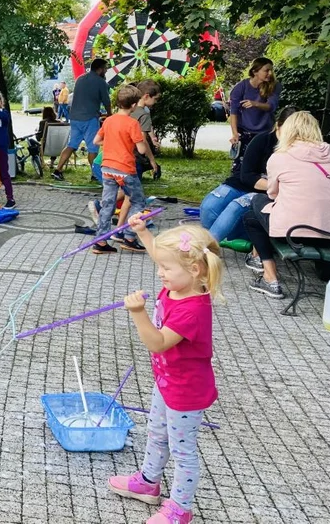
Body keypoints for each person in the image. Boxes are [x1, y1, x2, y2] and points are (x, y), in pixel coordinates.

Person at [109, 217, 222, 524]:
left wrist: (137, 313)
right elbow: (163, 257)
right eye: (160, 267)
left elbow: (158, 343)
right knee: (156, 434)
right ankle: (148, 482)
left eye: (166, 270)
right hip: (167, 381)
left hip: (187, 391)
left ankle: (180, 510)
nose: (160, 274)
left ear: (195, 270)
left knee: (183, 451)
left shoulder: (192, 310)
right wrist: (143, 233)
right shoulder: (178, 285)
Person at [241, 111, 330, 298]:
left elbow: (272, 193)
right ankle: (264, 269)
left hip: (293, 233)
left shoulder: (280, 157)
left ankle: (270, 278)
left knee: (254, 208)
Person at [199, 106, 298, 244]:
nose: (289, 136)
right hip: (241, 183)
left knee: (235, 207)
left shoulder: (297, 149)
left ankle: (209, 244)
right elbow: (247, 175)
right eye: (286, 131)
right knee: (209, 207)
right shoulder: (262, 140)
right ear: (277, 126)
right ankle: (229, 233)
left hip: (265, 193)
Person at [92, 85, 147, 254]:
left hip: (107, 168)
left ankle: (100, 242)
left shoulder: (108, 120)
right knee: (138, 201)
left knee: (108, 203)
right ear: (133, 105)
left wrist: (111, 144)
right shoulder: (133, 123)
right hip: (125, 169)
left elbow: (96, 141)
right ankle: (129, 237)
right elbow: (142, 150)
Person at [51, 59, 111, 180]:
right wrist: (110, 114)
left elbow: (84, 97)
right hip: (89, 119)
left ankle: (58, 170)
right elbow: (106, 101)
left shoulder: (80, 79)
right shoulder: (101, 82)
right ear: (99, 69)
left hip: (74, 117)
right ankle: (95, 174)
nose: (106, 71)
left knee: (72, 144)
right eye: (105, 68)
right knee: (93, 147)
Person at [228, 58, 280, 175]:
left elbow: (271, 106)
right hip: (246, 132)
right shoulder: (241, 87)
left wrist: (255, 103)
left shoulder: (274, 86)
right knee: (241, 166)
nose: (270, 74)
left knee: (265, 166)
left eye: (271, 70)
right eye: (266, 70)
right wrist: (235, 133)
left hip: (266, 132)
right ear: (255, 71)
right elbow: (234, 112)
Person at [132, 80, 162, 179]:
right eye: (155, 99)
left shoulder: (128, 109)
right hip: (134, 159)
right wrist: (152, 160)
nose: (156, 102)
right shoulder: (144, 115)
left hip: (117, 157)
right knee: (133, 191)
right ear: (146, 96)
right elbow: (142, 140)